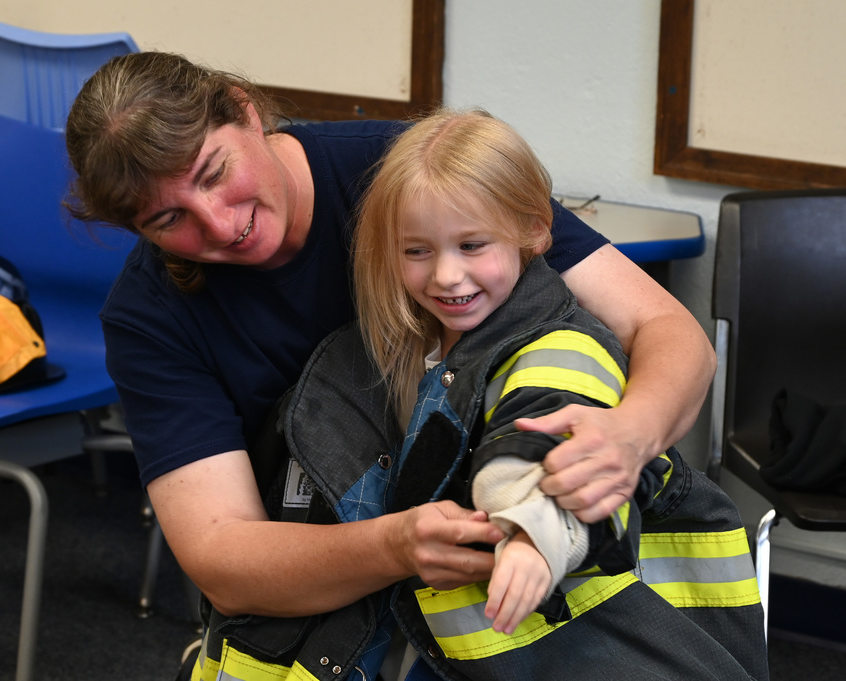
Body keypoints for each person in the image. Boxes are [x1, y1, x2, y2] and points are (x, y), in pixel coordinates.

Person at [64, 52, 718, 679]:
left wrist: (634, 432)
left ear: (245, 110)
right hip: (336, 586)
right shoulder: (151, 312)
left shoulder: (411, 172)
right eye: (169, 218)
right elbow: (221, 557)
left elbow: (665, 329)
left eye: (212, 171)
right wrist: (394, 545)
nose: (218, 222)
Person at [293, 106, 765, 679]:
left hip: (627, 645)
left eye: (472, 245)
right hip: (493, 648)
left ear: (535, 231)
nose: (445, 275)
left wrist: (534, 538)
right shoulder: (418, 353)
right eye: (417, 251)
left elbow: (545, 441)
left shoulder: (560, 347)